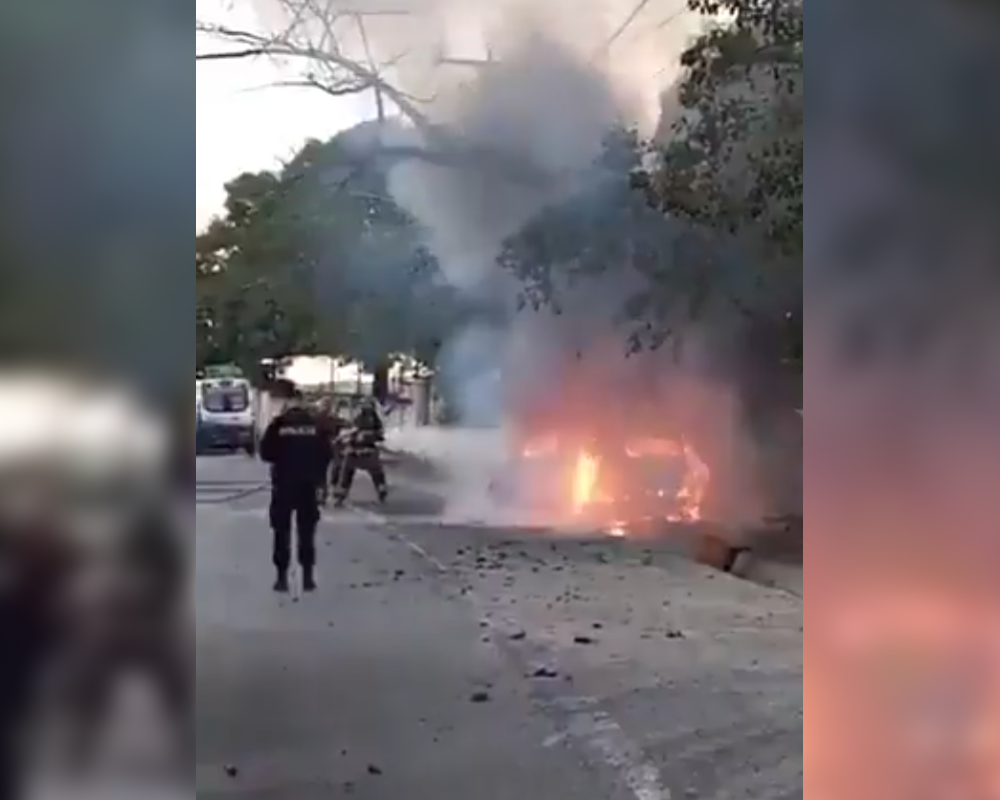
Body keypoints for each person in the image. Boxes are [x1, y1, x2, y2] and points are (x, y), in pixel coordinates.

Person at [259, 381, 332, 592]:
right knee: (307, 532)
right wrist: (317, 476)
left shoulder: (279, 424)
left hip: (283, 486)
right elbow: (327, 455)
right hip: (308, 486)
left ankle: (281, 579)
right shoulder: (315, 425)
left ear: (288, 402)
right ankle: (308, 578)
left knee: (281, 532)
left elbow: (265, 453)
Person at [332, 398, 388, 507]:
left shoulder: (360, 419)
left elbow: (352, 431)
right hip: (369, 451)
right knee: (377, 472)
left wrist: (341, 439)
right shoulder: (376, 421)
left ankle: (341, 495)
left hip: (356, 451)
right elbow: (380, 435)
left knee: (347, 473)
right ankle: (381, 489)